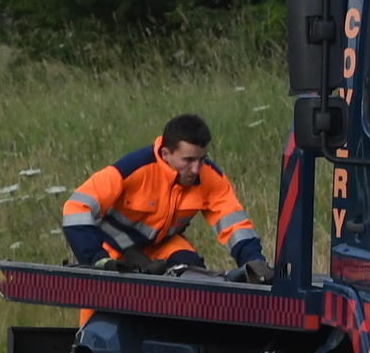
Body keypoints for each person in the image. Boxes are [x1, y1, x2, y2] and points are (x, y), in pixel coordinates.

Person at [62, 114, 270, 279]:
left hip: (162, 247)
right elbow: (76, 208)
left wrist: (254, 263)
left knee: (195, 281)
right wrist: (97, 259)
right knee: (102, 319)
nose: (196, 169)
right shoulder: (131, 170)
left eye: (202, 159)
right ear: (165, 154)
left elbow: (236, 226)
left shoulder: (211, 178)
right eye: (188, 160)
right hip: (112, 251)